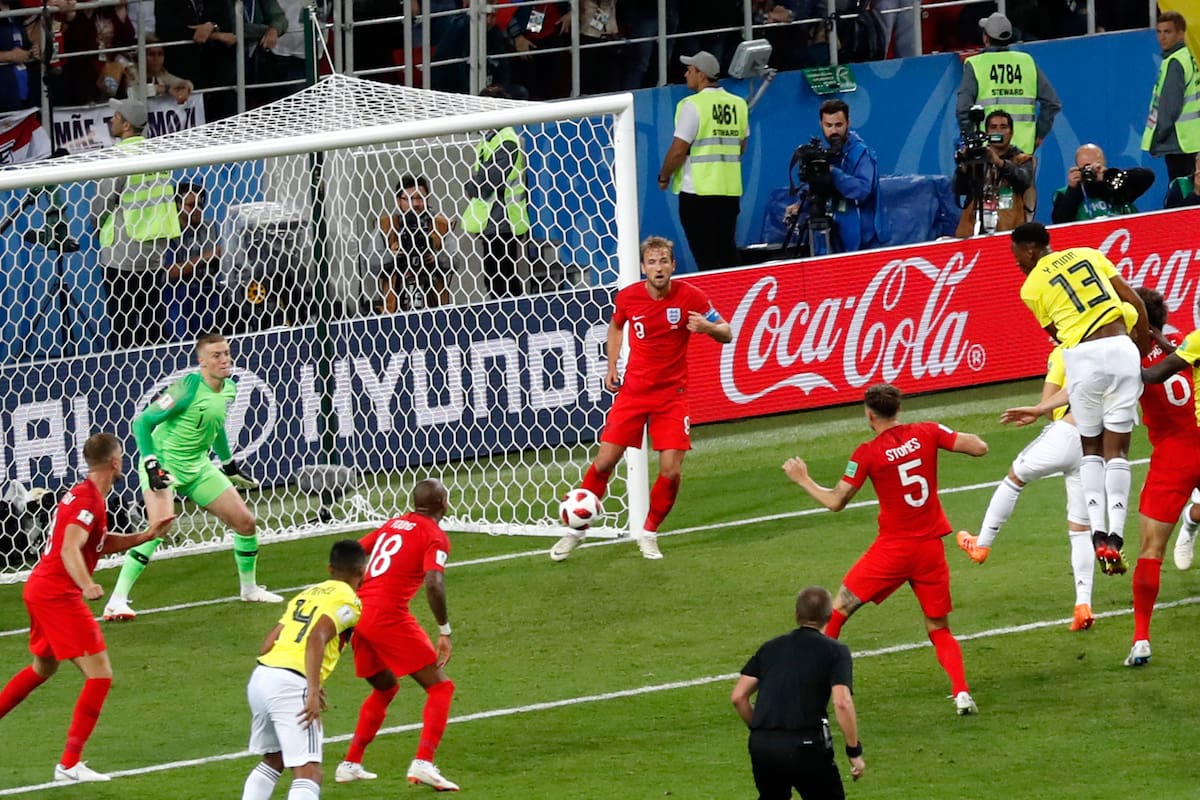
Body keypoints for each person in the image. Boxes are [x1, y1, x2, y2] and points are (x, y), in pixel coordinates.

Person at [782, 383, 988, 716]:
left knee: (838, 610)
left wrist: (803, 478)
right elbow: (979, 448)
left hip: (892, 550)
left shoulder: (867, 453)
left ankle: (818, 685)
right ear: (899, 409)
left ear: (869, 413)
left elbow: (836, 501)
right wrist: (946, 437)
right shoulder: (928, 431)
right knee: (939, 627)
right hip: (930, 550)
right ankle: (962, 692)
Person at [0, 433, 175, 783]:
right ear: (114, 463)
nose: (123, 462)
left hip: (41, 589)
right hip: (57, 595)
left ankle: (68, 764)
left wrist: (145, 534)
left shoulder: (87, 496)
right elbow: (69, 548)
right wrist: (87, 585)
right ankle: (68, 765)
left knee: (43, 668)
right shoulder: (88, 500)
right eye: (122, 457)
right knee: (100, 675)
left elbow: (96, 543)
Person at [550, 235, 732, 562]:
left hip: (672, 396)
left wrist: (707, 327)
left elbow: (727, 332)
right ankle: (576, 529)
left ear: (673, 265)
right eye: (652, 262)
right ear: (643, 267)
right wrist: (612, 365)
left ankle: (649, 533)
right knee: (605, 461)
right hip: (634, 392)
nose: (658, 268)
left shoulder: (692, 296)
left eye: (664, 261)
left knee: (671, 470)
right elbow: (616, 326)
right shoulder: (629, 297)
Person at [103, 332, 283, 620]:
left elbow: (217, 424)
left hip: (198, 467)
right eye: (216, 355)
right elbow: (142, 422)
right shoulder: (187, 387)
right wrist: (151, 464)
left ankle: (249, 590)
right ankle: (116, 600)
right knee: (158, 527)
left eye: (226, 353)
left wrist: (228, 464)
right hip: (163, 464)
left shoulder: (229, 388)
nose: (224, 359)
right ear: (202, 361)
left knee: (246, 523)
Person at [1008, 222, 1149, 577]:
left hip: (1083, 356)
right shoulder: (1090, 253)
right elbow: (1133, 301)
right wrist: (1142, 345)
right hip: (1120, 347)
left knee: (1091, 450)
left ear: (1029, 250)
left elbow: (1058, 335)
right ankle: (1116, 535)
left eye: (1017, 257)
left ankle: (1097, 531)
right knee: (1118, 451)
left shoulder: (1031, 287)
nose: (1017, 264)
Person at [955, 343, 1097, 632]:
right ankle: (1083, 604)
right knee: (1080, 528)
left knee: (1014, 478)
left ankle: (981, 544)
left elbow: (1051, 402)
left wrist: (1041, 409)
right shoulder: (1124, 354)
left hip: (1068, 432)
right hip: (1098, 444)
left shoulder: (1067, 351)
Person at [336, 478, 459, 791]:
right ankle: (424, 762)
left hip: (358, 613)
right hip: (387, 615)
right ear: (443, 504)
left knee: (385, 688)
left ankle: (350, 763)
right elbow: (434, 583)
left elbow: (356, 550)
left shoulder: (394, 523)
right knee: (440, 688)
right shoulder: (435, 536)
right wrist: (444, 629)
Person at [241, 539, 366, 800]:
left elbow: (267, 644)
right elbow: (316, 637)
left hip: (262, 677)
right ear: (363, 571)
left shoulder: (307, 594)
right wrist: (311, 690)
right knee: (309, 772)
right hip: (291, 685)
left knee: (274, 759)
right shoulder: (350, 601)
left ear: (329, 569)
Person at [731, 586, 865, 800]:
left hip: (763, 746)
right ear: (829, 616)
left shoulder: (770, 648)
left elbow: (739, 697)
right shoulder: (835, 651)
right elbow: (842, 702)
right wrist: (854, 751)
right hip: (805, 746)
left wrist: (763, 730)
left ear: (796, 614)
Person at [1133, 290, 1200, 667]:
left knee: (1151, 550)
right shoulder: (1187, 342)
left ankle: (1141, 638)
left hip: (1173, 457)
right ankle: (1193, 519)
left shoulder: (1131, 358)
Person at [90, 97, 182, 351]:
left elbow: (102, 203)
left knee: (123, 324)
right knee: (152, 319)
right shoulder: (157, 153)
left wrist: (95, 226)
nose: (111, 120)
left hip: (123, 251)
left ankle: (124, 380)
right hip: (154, 251)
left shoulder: (117, 156)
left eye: (116, 117)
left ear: (127, 125)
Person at [656, 50, 749, 271]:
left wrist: (664, 176)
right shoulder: (738, 104)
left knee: (705, 258)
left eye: (690, 70)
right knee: (727, 252)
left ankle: (713, 305)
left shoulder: (693, 105)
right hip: (729, 191)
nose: (686, 74)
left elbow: (678, 150)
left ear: (702, 75)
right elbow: (741, 146)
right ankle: (736, 300)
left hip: (697, 192)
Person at [785, 98, 884, 255]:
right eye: (828, 125)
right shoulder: (826, 153)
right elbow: (819, 187)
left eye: (839, 125)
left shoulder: (861, 153)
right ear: (821, 125)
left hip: (862, 241)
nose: (834, 131)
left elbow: (862, 190)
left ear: (848, 123)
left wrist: (833, 171)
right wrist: (799, 205)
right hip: (833, 234)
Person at [956, 12, 1061, 155]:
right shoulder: (1026, 62)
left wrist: (971, 139)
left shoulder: (975, 64)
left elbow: (963, 109)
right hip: (1023, 150)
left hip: (988, 149)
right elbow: (1052, 103)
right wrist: (1039, 134)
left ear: (986, 38)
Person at [462, 87, 530, 299]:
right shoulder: (489, 139)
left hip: (504, 220)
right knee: (495, 278)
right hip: (491, 222)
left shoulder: (507, 140)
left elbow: (486, 182)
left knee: (503, 278)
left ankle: (516, 323)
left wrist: (471, 186)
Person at [953, 109, 1036, 237]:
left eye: (1003, 127)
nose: (999, 131)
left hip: (1009, 230)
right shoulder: (976, 159)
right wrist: (963, 168)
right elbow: (959, 190)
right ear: (987, 133)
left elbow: (1023, 180)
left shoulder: (1023, 159)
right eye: (993, 127)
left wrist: (999, 162)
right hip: (973, 229)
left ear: (1011, 133)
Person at [377, 174, 451, 313]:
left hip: (434, 303)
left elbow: (456, 260)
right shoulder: (386, 225)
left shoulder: (440, 225)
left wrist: (437, 258)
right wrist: (391, 255)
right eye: (410, 199)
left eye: (420, 198)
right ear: (398, 200)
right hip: (396, 305)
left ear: (427, 198)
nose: (416, 204)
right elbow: (371, 264)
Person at [1142, 11, 1200, 182]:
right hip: (1191, 140)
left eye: (1168, 32)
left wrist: (1157, 138)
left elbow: (1170, 107)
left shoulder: (1175, 62)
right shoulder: (1187, 57)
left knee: (1182, 195)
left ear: (1181, 33)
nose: (1162, 37)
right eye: (1159, 32)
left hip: (1180, 143)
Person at [163, 181, 223, 341]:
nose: (197, 210)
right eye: (191, 205)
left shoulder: (210, 228)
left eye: (200, 205)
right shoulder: (169, 233)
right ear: (177, 205)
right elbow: (171, 272)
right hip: (178, 295)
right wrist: (206, 257)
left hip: (208, 292)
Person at [1050, 143, 1155, 223]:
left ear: (1103, 163)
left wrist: (1109, 175)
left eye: (1095, 165)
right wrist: (1073, 189)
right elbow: (1060, 221)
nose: (1091, 170)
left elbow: (1148, 176)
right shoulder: (1065, 193)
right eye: (1086, 166)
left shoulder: (1116, 183)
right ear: (1078, 167)